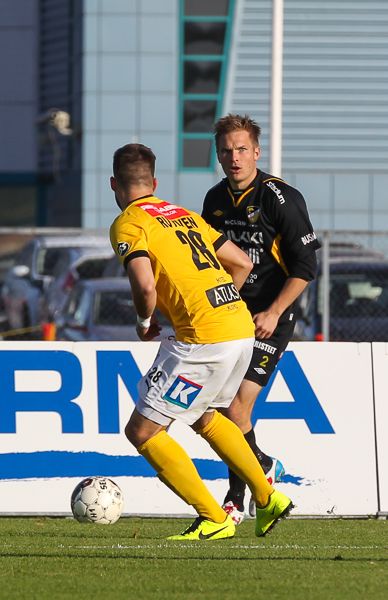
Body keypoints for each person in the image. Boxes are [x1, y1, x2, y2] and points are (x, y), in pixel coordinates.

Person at [109, 143, 294, 540]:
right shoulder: (186, 215)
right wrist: (223, 303)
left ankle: (214, 517)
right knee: (207, 415)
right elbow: (243, 262)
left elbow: (143, 284)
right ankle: (267, 497)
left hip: (204, 338)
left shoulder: (129, 222)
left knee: (142, 432)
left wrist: (145, 322)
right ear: (155, 183)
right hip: (238, 324)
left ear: (113, 184)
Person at [202, 114, 321, 524]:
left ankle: (246, 489)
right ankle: (255, 476)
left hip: (273, 315)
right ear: (218, 155)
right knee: (223, 410)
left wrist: (274, 311)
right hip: (232, 316)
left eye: (241, 149)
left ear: (256, 152)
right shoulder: (214, 199)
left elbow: (306, 266)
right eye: (225, 151)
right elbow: (211, 262)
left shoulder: (279, 196)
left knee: (235, 407)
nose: (233, 158)